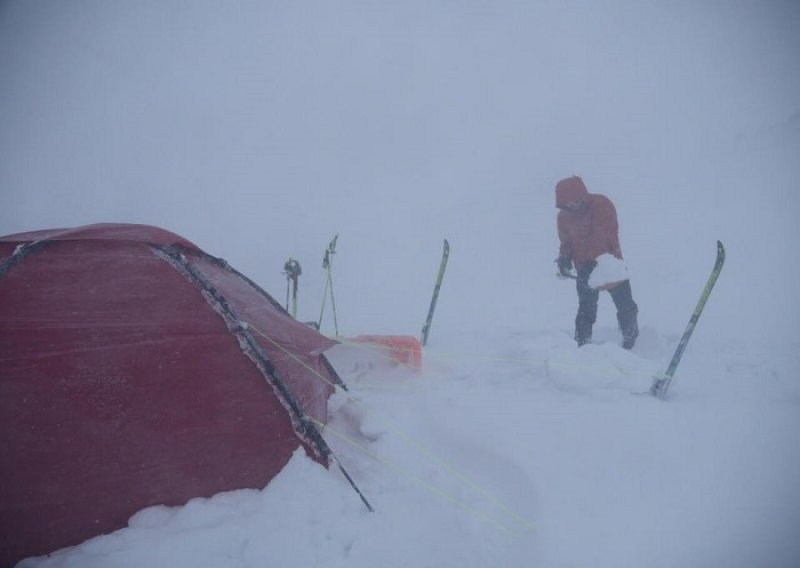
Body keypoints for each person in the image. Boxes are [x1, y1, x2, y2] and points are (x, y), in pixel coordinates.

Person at [554, 175, 639, 349]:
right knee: (586, 310)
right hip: (583, 269)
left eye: (574, 201)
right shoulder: (563, 217)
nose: (572, 206)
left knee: (625, 305)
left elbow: (605, 235)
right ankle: (583, 345)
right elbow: (566, 241)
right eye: (567, 203)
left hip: (610, 265)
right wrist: (564, 258)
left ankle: (631, 341)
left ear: (581, 196)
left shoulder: (601, 205)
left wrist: (592, 263)